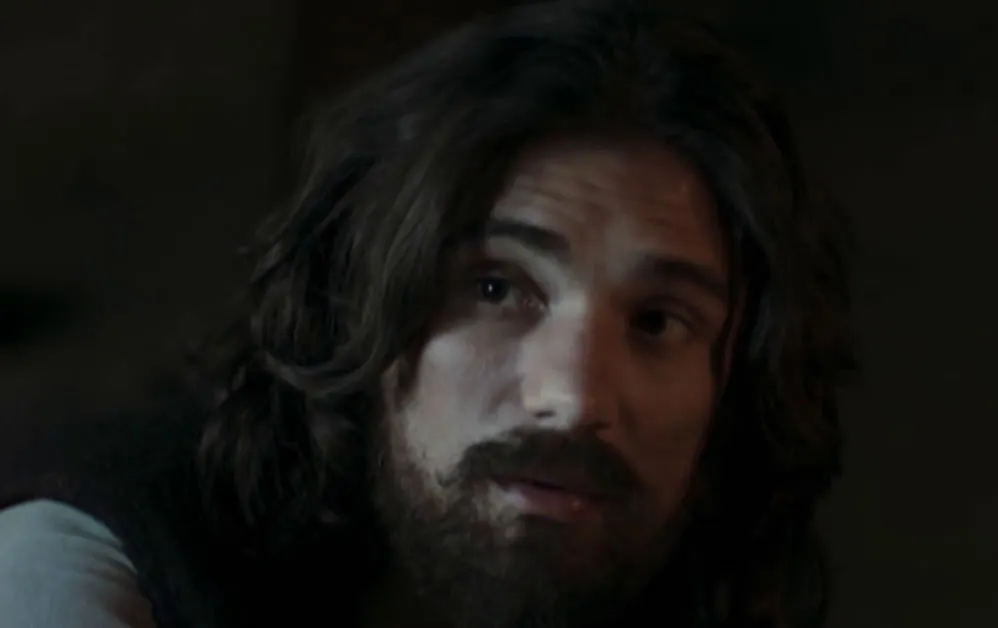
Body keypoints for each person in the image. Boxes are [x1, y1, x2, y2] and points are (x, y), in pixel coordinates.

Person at [0, 0, 857, 626]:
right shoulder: (94, 566)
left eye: (658, 321)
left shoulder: (698, 586)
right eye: (495, 290)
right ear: (356, 306)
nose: (572, 397)